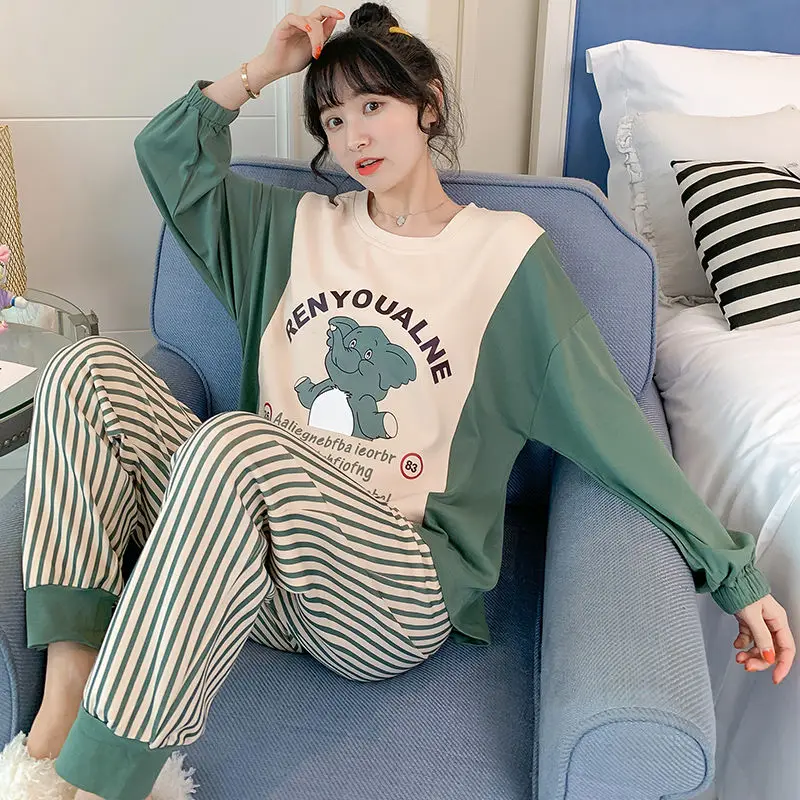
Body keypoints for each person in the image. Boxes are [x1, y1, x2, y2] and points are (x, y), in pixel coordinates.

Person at [2, 4, 795, 799]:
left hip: (391, 592)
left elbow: (612, 427)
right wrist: (265, 68)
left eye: (373, 105)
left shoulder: (505, 256)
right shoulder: (289, 229)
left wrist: (733, 571)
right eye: (333, 118)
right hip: (246, 573)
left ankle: (104, 782)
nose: (354, 136)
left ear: (429, 105)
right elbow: (166, 155)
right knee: (83, 370)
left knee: (233, 444)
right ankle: (60, 713)